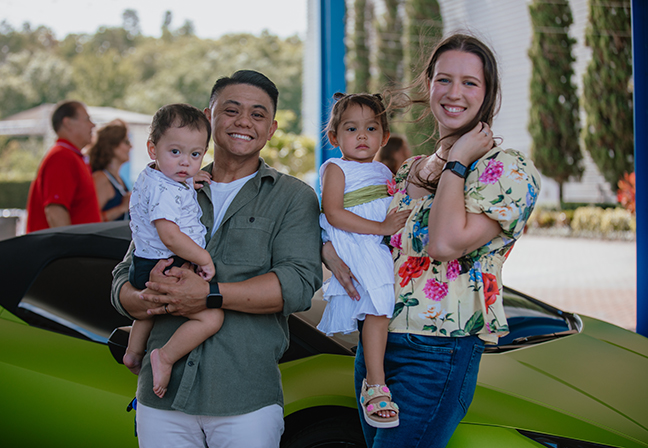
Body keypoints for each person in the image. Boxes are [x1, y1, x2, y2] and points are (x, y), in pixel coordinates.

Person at [322, 34, 541, 447]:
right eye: (444, 79)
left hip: (438, 350)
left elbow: (444, 244)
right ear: (429, 85)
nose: (454, 93)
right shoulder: (409, 170)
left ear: (488, 92)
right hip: (376, 346)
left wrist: (457, 161)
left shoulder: (505, 168)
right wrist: (328, 251)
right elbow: (358, 228)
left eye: (470, 82)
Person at [110, 70, 322, 448]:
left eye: (257, 114)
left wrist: (209, 295)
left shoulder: (293, 197)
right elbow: (124, 276)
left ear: (271, 129)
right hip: (162, 400)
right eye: (231, 110)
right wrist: (144, 298)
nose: (244, 122)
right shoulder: (168, 185)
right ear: (209, 117)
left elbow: (298, 284)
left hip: (245, 399)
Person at [316, 92, 409, 429]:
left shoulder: (383, 169)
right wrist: (382, 227)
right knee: (379, 305)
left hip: (375, 242)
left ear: (384, 137)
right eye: (351, 129)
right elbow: (334, 213)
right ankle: (375, 383)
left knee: (381, 307)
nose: (361, 136)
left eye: (371, 129)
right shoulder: (336, 168)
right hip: (354, 240)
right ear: (334, 137)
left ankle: (376, 377)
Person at [123, 104, 222, 400]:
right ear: (152, 149)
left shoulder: (158, 177)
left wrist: (190, 181)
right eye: (175, 152)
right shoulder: (164, 191)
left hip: (145, 262)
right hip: (167, 261)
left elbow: (173, 186)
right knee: (211, 319)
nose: (185, 162)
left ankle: (132, 352)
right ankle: (165, 357)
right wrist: (203, 258)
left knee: (148, 312)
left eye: (195, 154)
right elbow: (169, 235)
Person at [26, 100, 101, 232]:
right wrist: (69, 244)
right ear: (68, 123)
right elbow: (55, 210)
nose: (93, 125)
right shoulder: (61, 157)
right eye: (87, 119)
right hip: (67, 244)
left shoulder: (72, 156)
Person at [88, 119, 132, 221]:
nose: (130, 147)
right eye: (126, 142)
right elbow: (90, 220)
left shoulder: (119, 179)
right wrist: (121, 208)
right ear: (112, 146)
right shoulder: (101, 178)